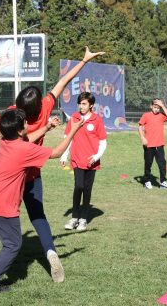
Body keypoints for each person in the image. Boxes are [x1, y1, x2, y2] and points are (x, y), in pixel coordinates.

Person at [0, 108, 83, 293]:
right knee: (13, 244)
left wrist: (47, 127)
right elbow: (57, 152)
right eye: (25, 123)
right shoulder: (23, 149)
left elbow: (28, 139)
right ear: (19, 130)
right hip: (2, 201)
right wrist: (73, 130)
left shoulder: (6, 141)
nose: (27, 125)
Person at [9, 46, 104, 282]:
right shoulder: (45, 108)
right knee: (38, 216)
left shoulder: (14, 115)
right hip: (33, 173)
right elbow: (64, 80)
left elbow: (9, 139)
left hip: (12, 174)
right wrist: (83, 61)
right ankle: (50, 251)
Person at [61, 91, 107, 232]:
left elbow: (103, 142)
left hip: (91, 162)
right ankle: (74, 217)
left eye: (84, 104)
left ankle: (83, 219)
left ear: (91, 105)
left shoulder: (96, 120)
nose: (81, 106)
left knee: (87, 190)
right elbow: (67, 138)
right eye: (79, 103)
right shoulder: (74, 118)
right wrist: (64, 155)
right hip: (76, 159)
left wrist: (96, 156)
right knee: (78, 187)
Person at [138, 98, 167, 189]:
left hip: (159, 145)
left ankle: (163, 181)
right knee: (148, 164)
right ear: (151, 106)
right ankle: (147, 181)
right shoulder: (146, 115)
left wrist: (163, 106)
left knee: (162, 164)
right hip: (148, 145)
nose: (156, 109)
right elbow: (140, 127)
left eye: (158, 108)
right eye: (155, 107)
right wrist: (142, 138)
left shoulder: (161, 115)